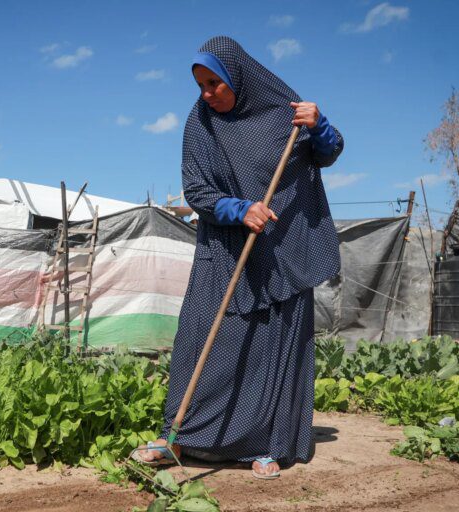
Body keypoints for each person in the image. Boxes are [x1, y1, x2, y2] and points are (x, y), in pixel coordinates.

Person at [134, 36, 343, 479]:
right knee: (202, 338)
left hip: (285, 248)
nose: (207, 93)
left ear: (238, 79)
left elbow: (326, 154)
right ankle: (179, 437)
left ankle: (270, 444)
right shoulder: (200, 125)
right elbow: (197, 191)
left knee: (274, 345)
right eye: (201, 85)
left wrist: (319, 126)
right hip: (226, 248)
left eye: (215, 83)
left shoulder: (284, 116)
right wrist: (240, 208)